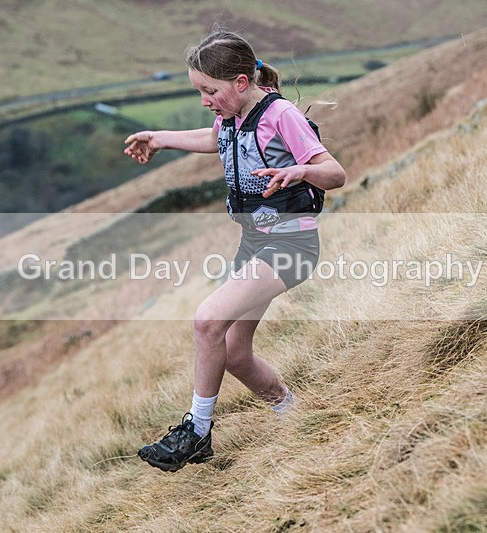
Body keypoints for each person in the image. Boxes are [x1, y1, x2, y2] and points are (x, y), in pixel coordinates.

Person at [123, 29, 346, 472]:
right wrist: (159, 137)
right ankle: (290, 410)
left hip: (291, 243)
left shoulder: (279, 114)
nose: (205, 99)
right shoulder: (232, 116)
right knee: (234, 351)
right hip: (255, 243)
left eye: (210, 90)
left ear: (241, 82)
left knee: (207, 321)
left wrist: (301, 170)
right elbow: (213, 139)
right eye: (199, 91)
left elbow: (335, 173)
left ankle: (198, 430)